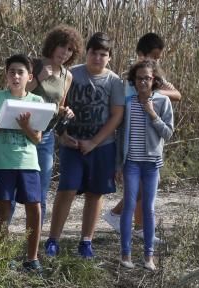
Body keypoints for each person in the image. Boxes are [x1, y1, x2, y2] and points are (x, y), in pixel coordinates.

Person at [44, 32, 124, 260]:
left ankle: (86, 241)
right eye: (93, 53)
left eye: (103, 54)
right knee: (67, 189)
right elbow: (59, 105)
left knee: (95, 193)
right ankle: (53, 240)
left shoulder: (114, 81)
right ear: (86, 53)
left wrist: (94, 142)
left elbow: (116, 116)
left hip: (102, 145)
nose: (97, 58)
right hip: (72, 144)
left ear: (109, 57)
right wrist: (62, 134)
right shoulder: (71, 75)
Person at [103, 32, 183, 236]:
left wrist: (153, 92)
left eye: (158, 58)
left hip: (151, 139)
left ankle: (134, 224)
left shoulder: (154, 77)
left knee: (146, 186)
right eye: (153, 55)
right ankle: (122, 217)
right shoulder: (132, 76)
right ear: (140, 53)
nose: (155, 60)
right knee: (139, 187)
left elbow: (177, 94)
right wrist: (149, 91)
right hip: (132, 138)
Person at [0, 54, 45, 273]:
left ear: (30, 77)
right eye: (12, 72)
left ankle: (32, 258)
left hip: (28, 163)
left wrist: (25, 125)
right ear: (6, 75)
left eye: (20, 72)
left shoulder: (36, 101)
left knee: (34, 208)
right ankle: (1, 256)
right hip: (2, 162)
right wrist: (2, 120)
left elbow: (37, 138)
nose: (16, 76)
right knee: (3, 208)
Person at [116, 60, 173, 272]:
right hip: (131, 163)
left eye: (147, 78)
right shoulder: (129, 103)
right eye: (139, 78)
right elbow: (121, 134)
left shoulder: (162, 102)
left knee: (148, 208)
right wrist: (118, 165)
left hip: (152, 164)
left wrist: (152, 114)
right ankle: (126, 254)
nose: (143, 82)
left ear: (154, 80)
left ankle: (149, 256)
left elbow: (168, 132)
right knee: (129, 206)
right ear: (134, 80)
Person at [26, 25, 83, 225]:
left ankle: (32, 246)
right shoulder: (35, 65)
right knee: (12, 191)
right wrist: (40, 78)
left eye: (70, 50)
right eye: (62, 46)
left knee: (40, 192)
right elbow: (18, 93)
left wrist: (65, 112)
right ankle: (0, 246)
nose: (65, 53)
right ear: (53, 45)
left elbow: (58, 105)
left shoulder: (67, 76)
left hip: (46, 135)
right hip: (21, 133)